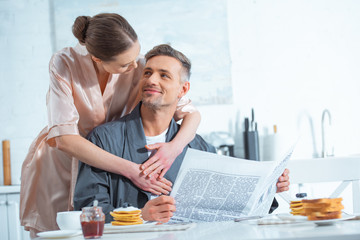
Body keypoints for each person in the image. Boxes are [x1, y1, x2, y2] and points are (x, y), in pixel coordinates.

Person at [20, 13, 201, 236]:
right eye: (127, 64)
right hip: (64, 164)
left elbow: (191, 114)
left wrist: (173, 149)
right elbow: (65, 139)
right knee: (60, 231)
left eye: (137, 57)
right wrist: (133, 171)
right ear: (97, 60)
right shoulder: (65, 63)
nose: (136, 66)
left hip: (112, 152)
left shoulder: (139, 64)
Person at [74, 44, 290, 223]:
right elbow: (87, 211)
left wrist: (269, 187)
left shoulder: (199, 147)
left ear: (183, 90)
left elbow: (230, 206)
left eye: (164, 75)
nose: (151, 80)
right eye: (147, 73)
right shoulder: (103, 140)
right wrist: (140, 216)